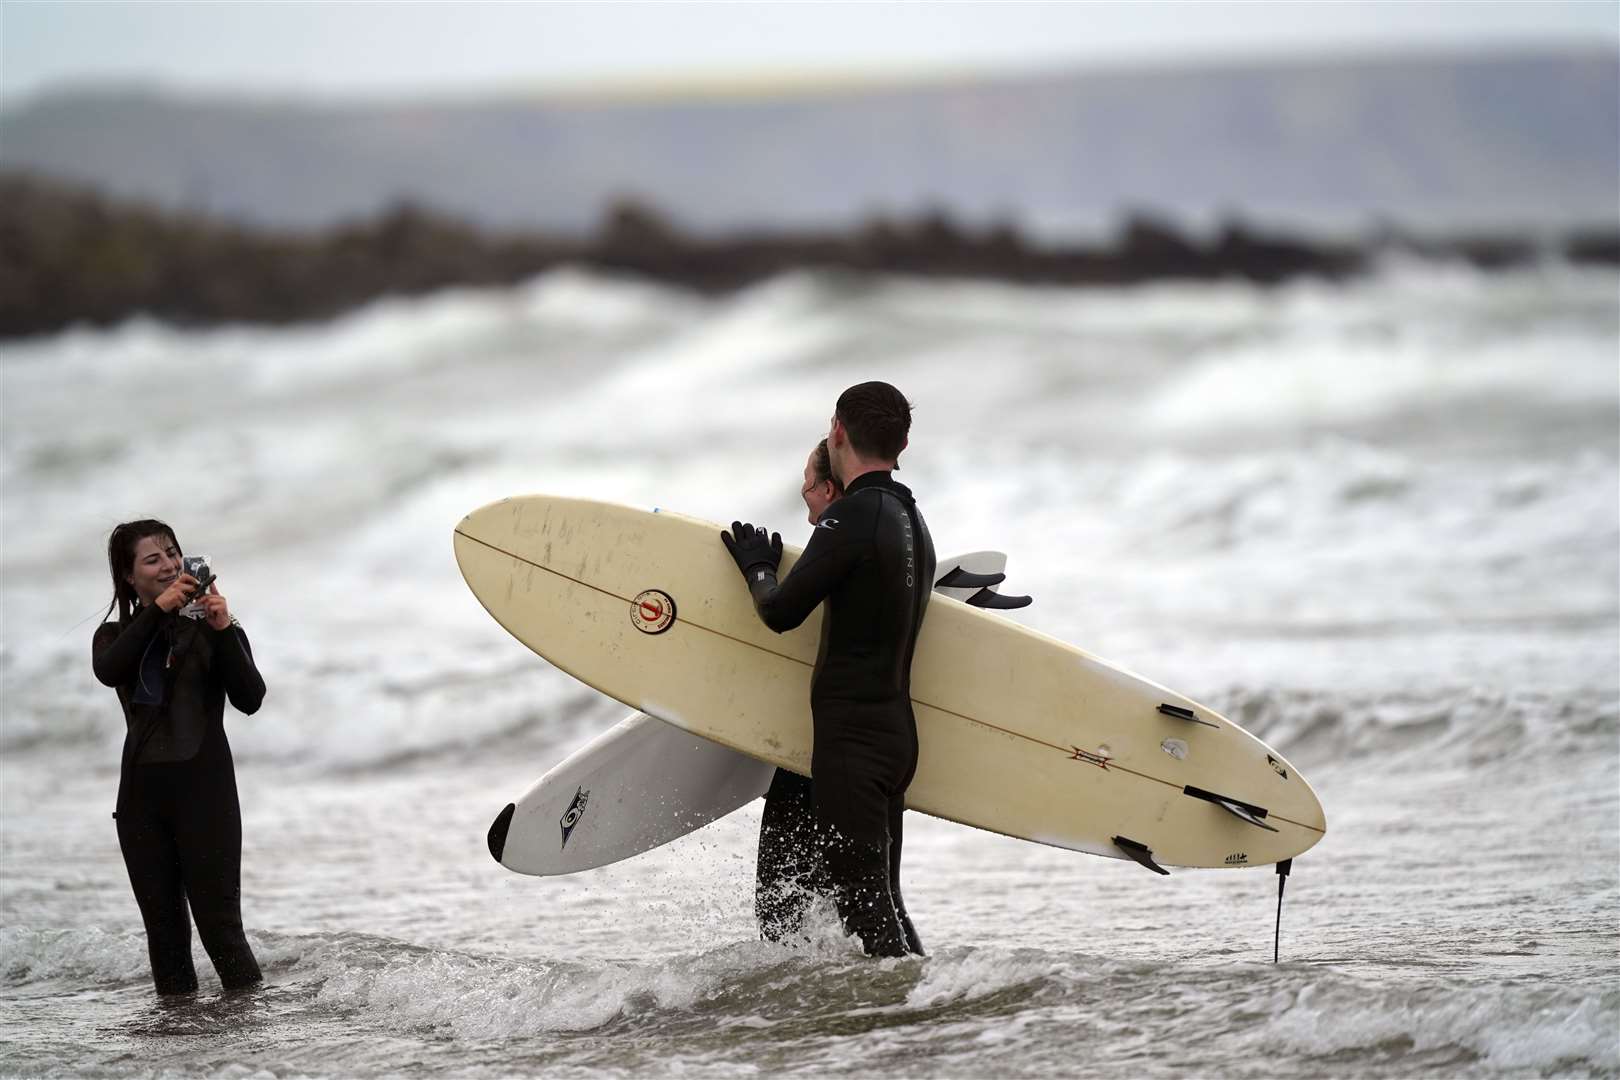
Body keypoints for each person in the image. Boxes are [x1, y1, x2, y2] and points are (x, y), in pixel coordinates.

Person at [724, 382, 935, 958]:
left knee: (865, 905)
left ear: (837, 431)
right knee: (882, 898)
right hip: (895, 738)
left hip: (852, 745)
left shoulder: (857, 516)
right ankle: (926, 1009)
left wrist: (758, 568)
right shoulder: (911, 519)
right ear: (904, 443)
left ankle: (911, 1017)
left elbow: (781, 612)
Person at [92, 520, 266, 995]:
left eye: (172, 553)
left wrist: (223, 628)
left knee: (222, 931)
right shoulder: (113, 637)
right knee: (166, 937)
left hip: (206, 798)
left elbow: (250, 698)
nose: (168, 565)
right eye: (152, 559)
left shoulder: (214, 630)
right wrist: (159, 613)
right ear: (129, 576)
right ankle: (179, 1049)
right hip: (140, 806)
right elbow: (111, 672)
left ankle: (255, 1046)